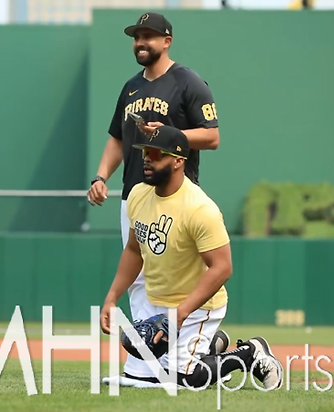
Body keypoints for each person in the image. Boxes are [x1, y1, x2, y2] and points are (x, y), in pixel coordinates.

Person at [87, 11, 228, 381]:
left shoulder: (187, 82)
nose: (141, 42)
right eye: (137, 36)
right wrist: (102, 175)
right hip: (134, 194)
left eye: (149, 36)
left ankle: (166, 354)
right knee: (138, 276)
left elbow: (211, 137)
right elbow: (118, 137)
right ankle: (149, 358)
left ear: (167, 41)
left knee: (167, 275)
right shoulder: (131, 87)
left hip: (174, 194)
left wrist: (170, 134)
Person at [99, 126, 283, 390]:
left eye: (156, 154)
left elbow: (222, 268)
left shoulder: (199, 208)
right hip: (157, 302)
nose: (147, 159)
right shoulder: (138, 194)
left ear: (178, 160)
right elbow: (133, 250)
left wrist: (181, 313)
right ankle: (210, 344)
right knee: (143, 376)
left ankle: (249, 353)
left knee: (182, 379)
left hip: (197, 306)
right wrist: (111, 297)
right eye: (145, 153)